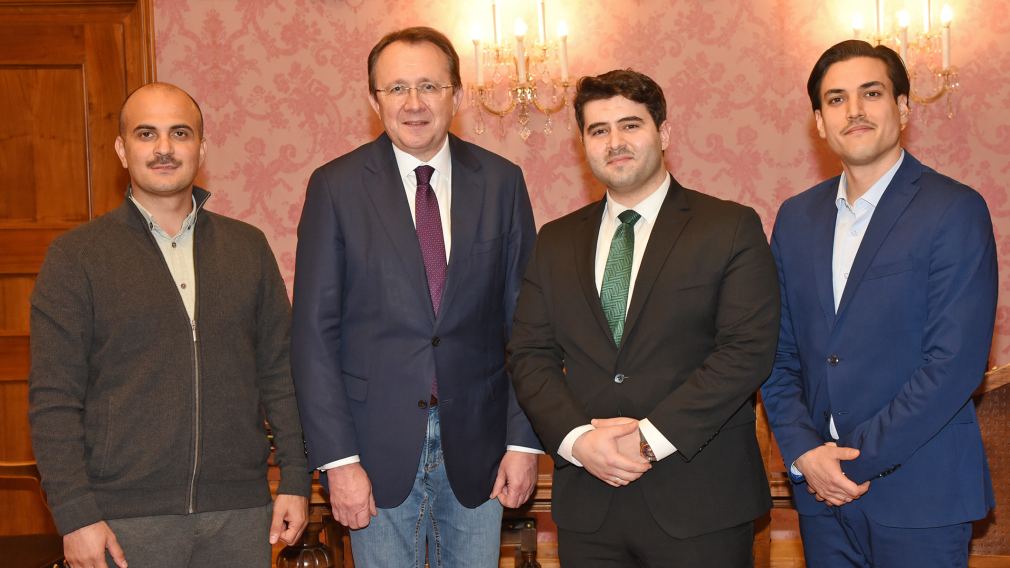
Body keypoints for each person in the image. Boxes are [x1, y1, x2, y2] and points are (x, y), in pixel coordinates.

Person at [28, 82, 310, 568]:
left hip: (240, 514)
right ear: (122, 149)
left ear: (201, 147)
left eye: (179, 133)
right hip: (121, 520)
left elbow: (280, 375)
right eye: (146, 134)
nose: (163, 148)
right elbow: (54, 400)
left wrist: (295, 478)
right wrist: (74, 514)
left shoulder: (248, 249)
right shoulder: (76, 258)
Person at [291, 26, 541, 567]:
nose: (414, 103)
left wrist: (523, 444)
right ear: (373, 100)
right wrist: (337, 459)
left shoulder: (502, 182)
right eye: (397, 88)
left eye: (429, 85)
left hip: (481, 446)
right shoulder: (334, 188)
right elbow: (314, 334)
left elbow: (527, 327)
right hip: (372, 451)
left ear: (457, 93)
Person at [508, 69, 780, 567]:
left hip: (700, 501)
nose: (615, 142)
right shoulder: (555, 240)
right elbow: (529, 355)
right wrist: (577, 440)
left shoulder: (730, 227)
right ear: (583, 145)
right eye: (598, 130)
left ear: (664, 133)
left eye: (630, 125)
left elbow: (747, 352)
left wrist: (649, 439)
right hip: (588, 505)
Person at [761, 39, 997, 567]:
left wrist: (849, 463)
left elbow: (954, 366)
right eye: (837, 99)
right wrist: (804, 452)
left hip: (921, 491)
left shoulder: (954, 209)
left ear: (903, 108)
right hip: (821, 498)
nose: (856, 110)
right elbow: (776, 355)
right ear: (819, 121)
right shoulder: (796, 219)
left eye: (872, 93)